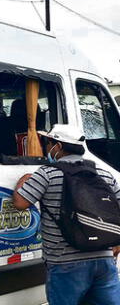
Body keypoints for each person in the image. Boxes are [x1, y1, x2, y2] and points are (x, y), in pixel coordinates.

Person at [12, 124, 120, 305]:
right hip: (104, 259)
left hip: (65, 263)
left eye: (48, 144)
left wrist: (22, 182)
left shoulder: (47, 174)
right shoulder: (104, 174)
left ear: (58, 146)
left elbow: (21, 203)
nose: (47, 148)